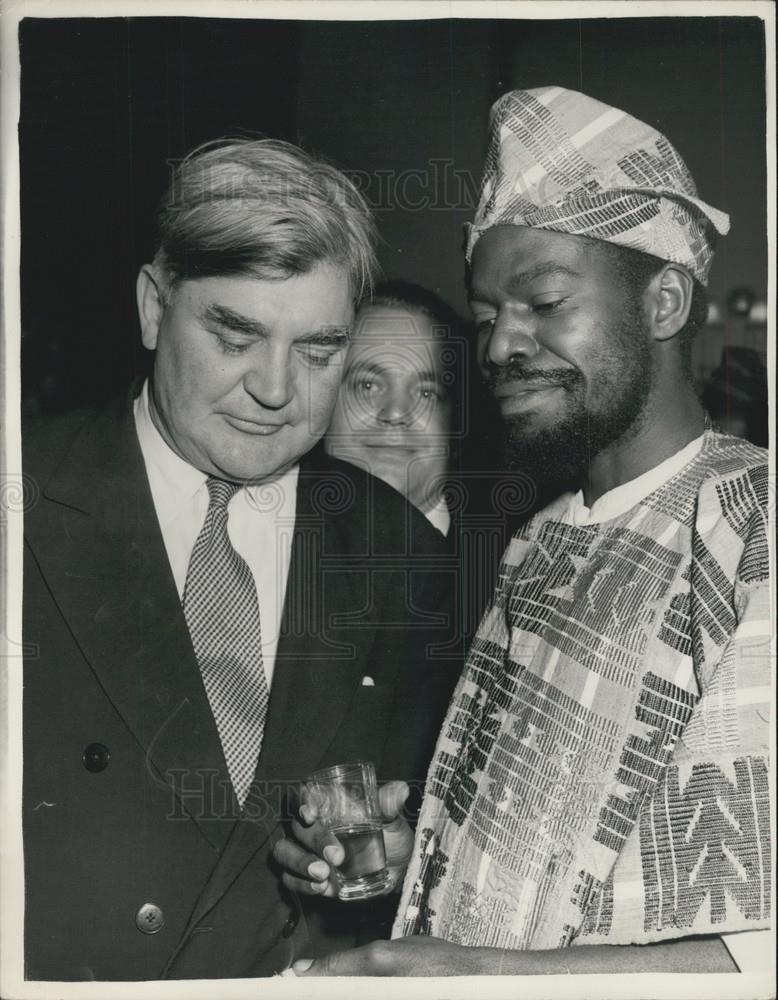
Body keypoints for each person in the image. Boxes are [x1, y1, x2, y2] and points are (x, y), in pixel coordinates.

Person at [278, 87, 771, 975]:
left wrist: (469, 974)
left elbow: (755, 952)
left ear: (663, 304)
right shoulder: (536, 544)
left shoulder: (750, 527)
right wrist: (419, 857)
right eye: (486, 315)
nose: (502, 344)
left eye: (542, 302)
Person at [22, 138, 459, 980]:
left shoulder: (411, 558)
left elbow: (420, 857)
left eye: (320, 352)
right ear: (154, 307)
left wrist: (400, 869)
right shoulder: (25, 500)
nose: (274, 388)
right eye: (235, 336)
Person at [324, 280, 461, 536]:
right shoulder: (263, 545)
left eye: (426, 392)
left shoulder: (505, 561)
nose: (396, 413)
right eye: (367, 386)